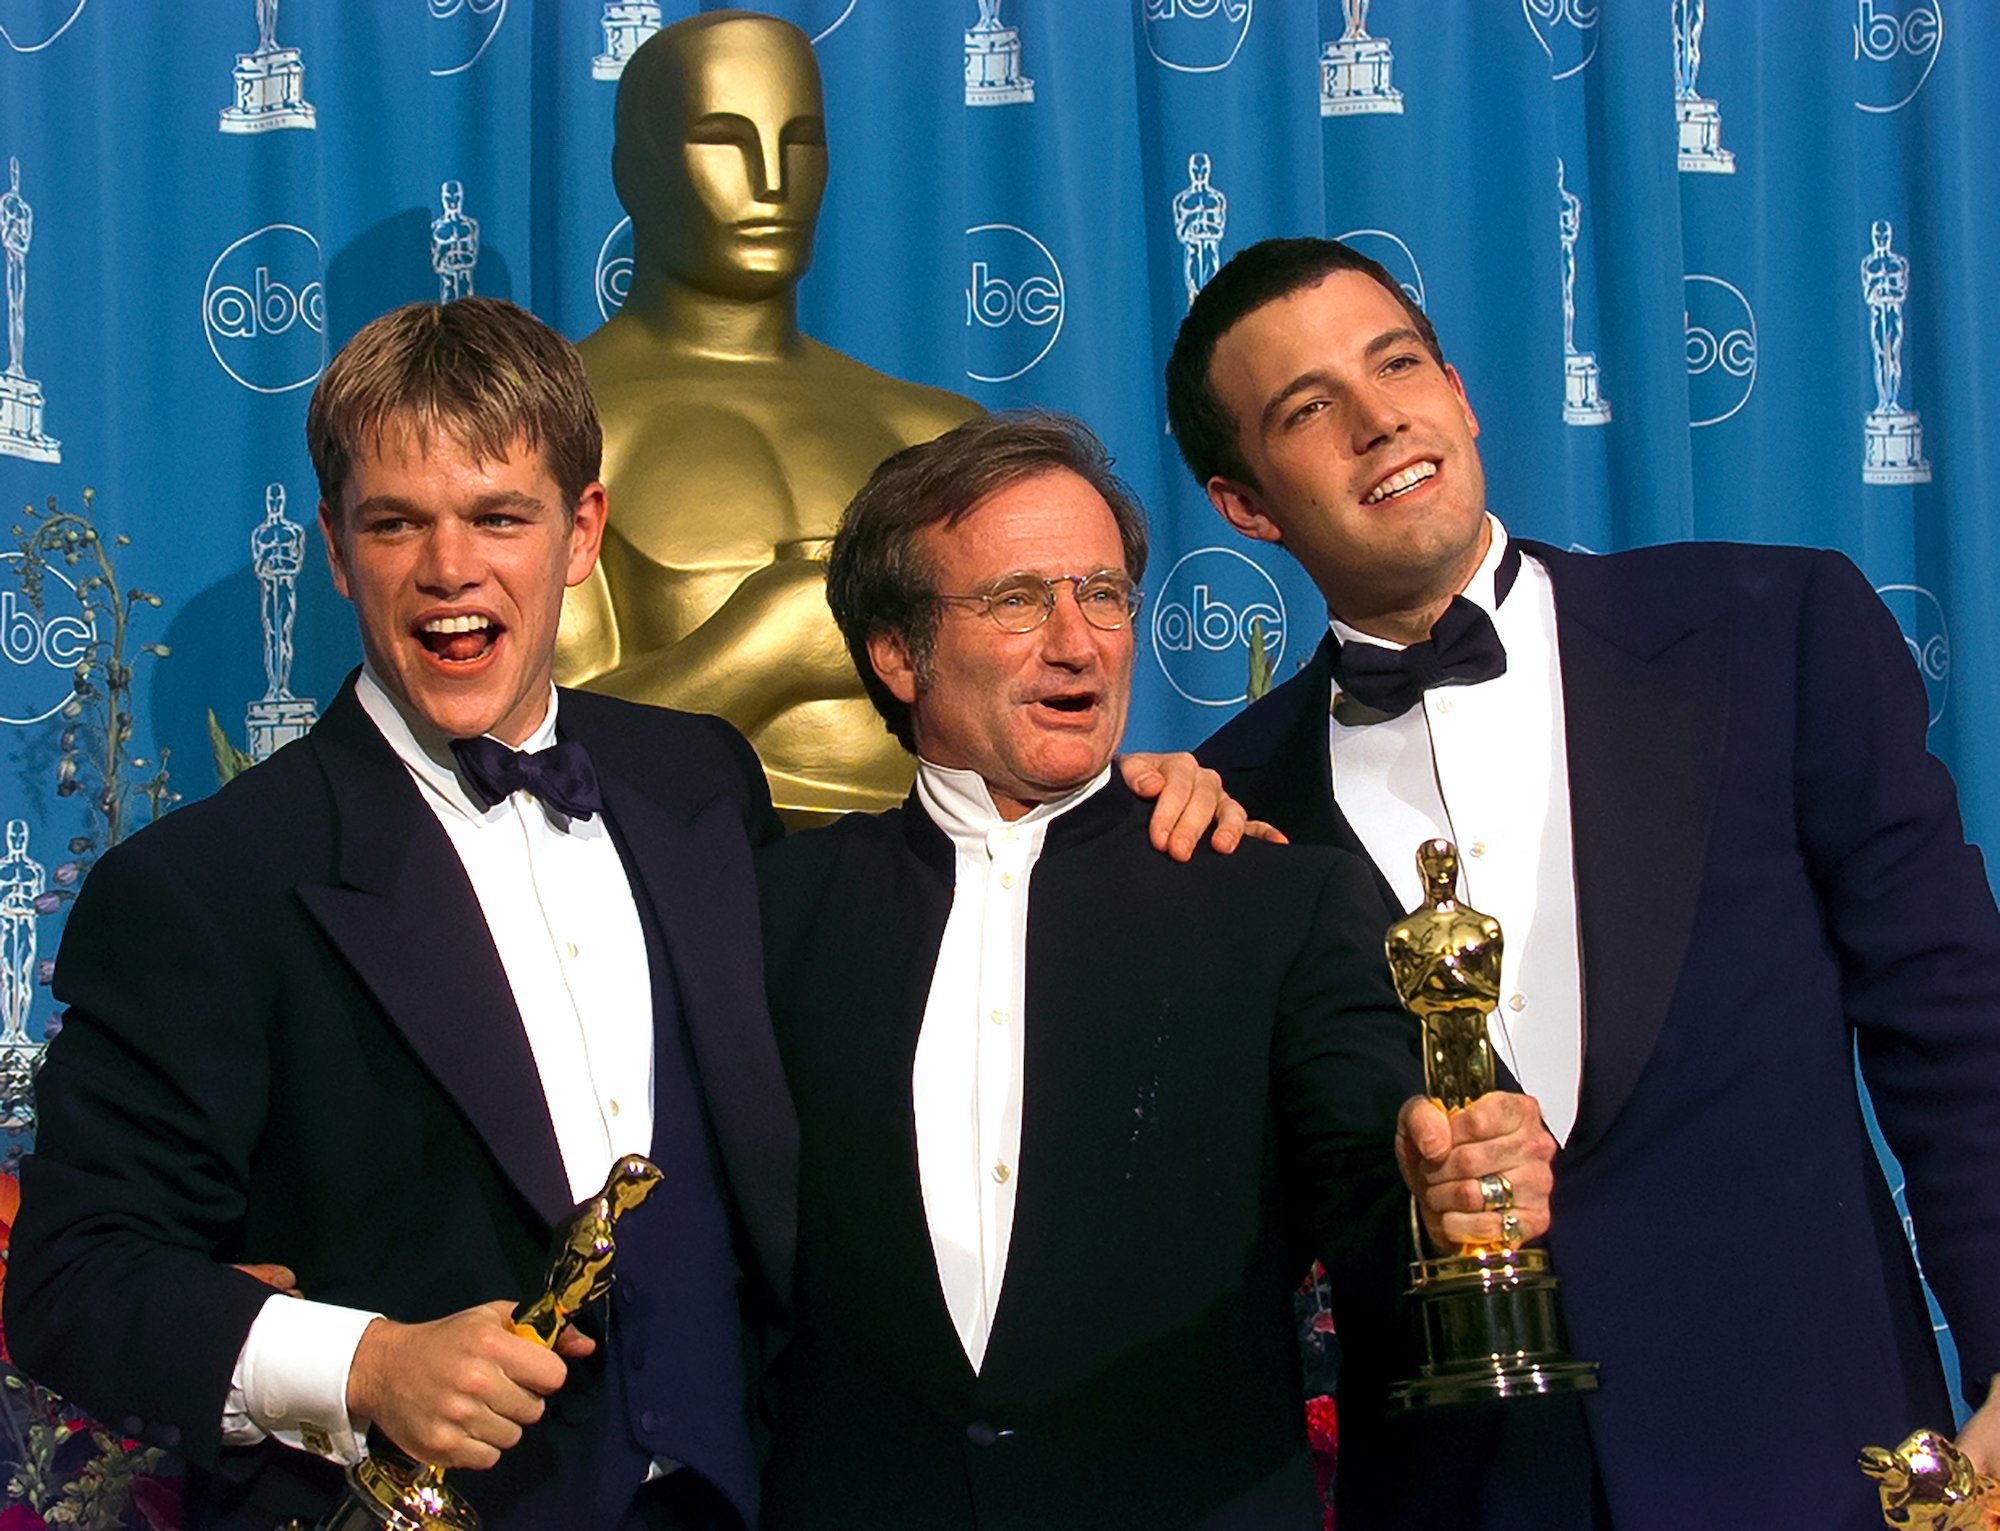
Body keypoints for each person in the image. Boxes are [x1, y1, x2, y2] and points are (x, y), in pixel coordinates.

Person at [1168, 235, 2000, 1530]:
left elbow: (1958, 1027)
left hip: (1814, 1462)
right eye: (1308, 410)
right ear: (1244, 504)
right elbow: (1252, 1225)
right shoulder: (1229, 812)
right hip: (1465, 1491)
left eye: (1399, 365)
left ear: (1461, 393)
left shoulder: (1766, 627)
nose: (1380, 417)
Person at [6, 297, 798, 1531]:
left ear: (580, 530)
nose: (449, 570)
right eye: (395, 524)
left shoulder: (700, 781)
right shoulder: (204, 886)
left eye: (497, 515)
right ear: (332, 546)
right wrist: (364, 1364)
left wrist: (1145, 800)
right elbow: (73, 1278)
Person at [754, 409, 1557, 1530]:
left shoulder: (1269, 898)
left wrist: (1446, 1197)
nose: (1077, 641)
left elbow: (1374, 1192)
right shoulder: (772, 911)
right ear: (897, 651)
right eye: (1017, 599)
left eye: (1101, 595)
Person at [556, 11, 981, 822]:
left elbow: (1040, 707)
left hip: (951, 909)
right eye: (722, 139)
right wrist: (771, 641)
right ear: (630, 172)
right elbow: (532, 754)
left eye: (800, 141)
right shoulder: (556, 427)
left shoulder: (938, 433)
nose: (772, 179)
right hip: (680, 907)